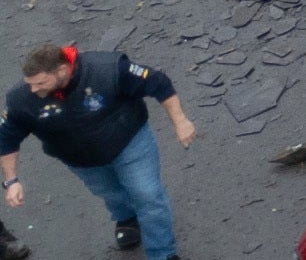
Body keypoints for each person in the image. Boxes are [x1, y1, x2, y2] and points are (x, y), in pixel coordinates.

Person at [0, 40, 188, 255]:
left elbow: (157, 82)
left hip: (130, 145)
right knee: (112, 193)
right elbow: (6, 138)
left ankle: (162, 253)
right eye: (29, 84)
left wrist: (180, 121)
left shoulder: (108, 69)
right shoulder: (21, 99)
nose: (33, 90)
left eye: (41, 83)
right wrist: (11, 180)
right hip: (82, 162)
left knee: (147, 195)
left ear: (62, 70)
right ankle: (127, 217)